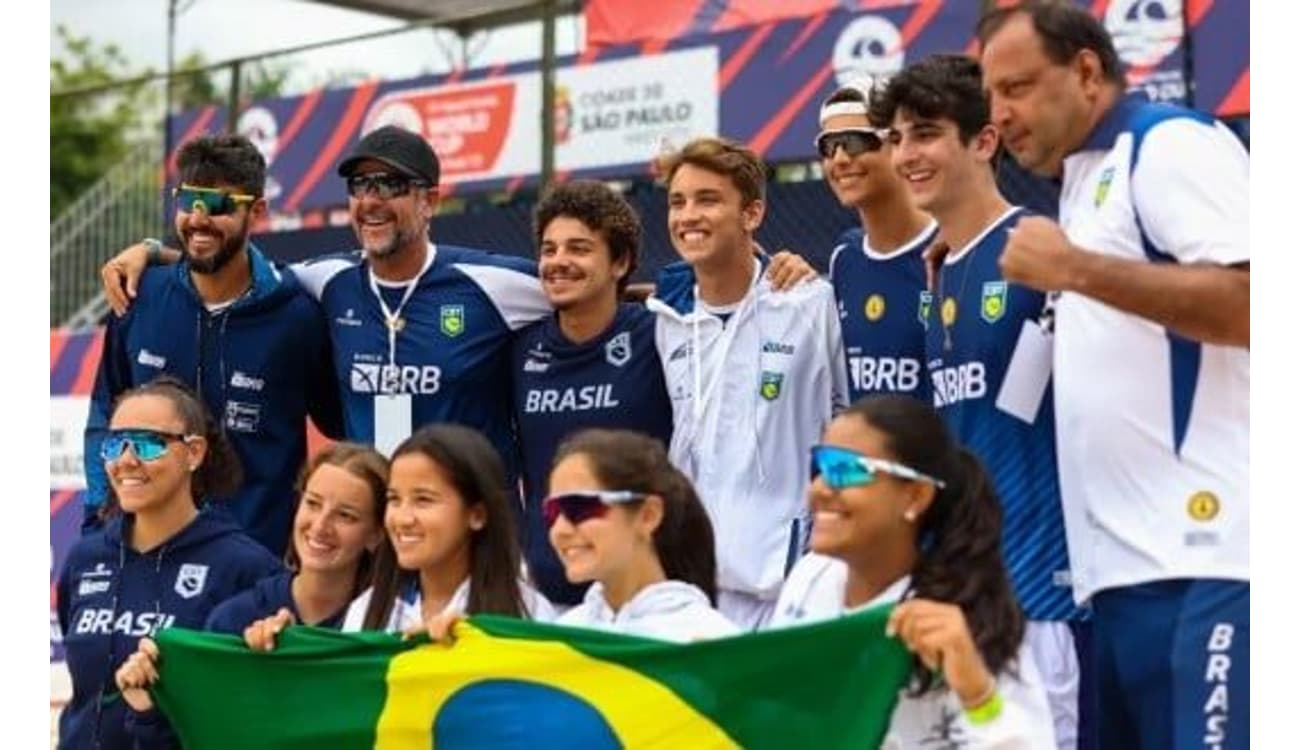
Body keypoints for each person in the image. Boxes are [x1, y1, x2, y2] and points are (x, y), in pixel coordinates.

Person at [978, 5, 1248, 747]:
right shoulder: (1085, 179)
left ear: (1088, 71)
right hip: (1123, 585)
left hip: (1213, 566)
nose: (1000, 114)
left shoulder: (1169, 146)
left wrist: (1075, 269)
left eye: (1019, 87)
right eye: (992, 94)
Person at [873, 53, 1089, 749]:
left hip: (1050, 594)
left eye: (926, 133)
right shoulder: (937, 269)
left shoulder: (1040, 250)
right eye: (898, 137)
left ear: (985, 140)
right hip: (974, 594)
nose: (906, 154)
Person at [83, 133, 343, 555]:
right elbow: (102, 421)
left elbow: (345, 424)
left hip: (256, 566)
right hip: (147, 557)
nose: (199, 219)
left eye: (219, 205)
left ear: (256, 211)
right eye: (188, 202)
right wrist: (95, 527)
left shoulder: (297, 315)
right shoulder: (138, 297)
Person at [769, 395, 1056, 748]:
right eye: (820, 466)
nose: (819, 489)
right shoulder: (810, 579)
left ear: (915, 496)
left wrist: (977, 693)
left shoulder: (967, 618)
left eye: (844, 469)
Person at [646, 136, 850, 629]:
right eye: (678, 202)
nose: (688, 215)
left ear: (752, 213)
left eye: (707, 200)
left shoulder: (807, 303)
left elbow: (844, 423)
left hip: (784, 588)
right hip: (691, 589)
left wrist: (831, 554)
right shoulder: (667, 316)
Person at [57, 376, 282, 748]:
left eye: (147, 445)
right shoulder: (87, 557)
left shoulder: (246, 568)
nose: (126, 461)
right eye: (115, 445)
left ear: (193, 453)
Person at [511, 181, 674, 607]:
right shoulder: (520, 349)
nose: (559, 262)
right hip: (547, 590)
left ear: (620, 262)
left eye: (579, 249)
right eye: (549, 249)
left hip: (640, 593)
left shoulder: (658, 334)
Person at [341, 423, 553, 633]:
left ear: (477, 514)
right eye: (394, 499)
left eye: (423, 500)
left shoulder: (530, 613)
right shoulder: (365, 611)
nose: (403, 519)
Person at [545, 429, 737, 641]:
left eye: (579, 507)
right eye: (552, 512)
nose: (559, 530)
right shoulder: (560, 638)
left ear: (648, 515)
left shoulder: (710, 642)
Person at [817, 84, 938, 403]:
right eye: (828, 147)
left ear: (898, 146)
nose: (839, 159)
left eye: (855, 142)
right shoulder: (844, 258)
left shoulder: (949, 250)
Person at [206, 442, 387, 637]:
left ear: (376, 535)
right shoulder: (234, 620)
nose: (320, 526)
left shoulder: (394, 625)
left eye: (345, 515)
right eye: (312, 503)